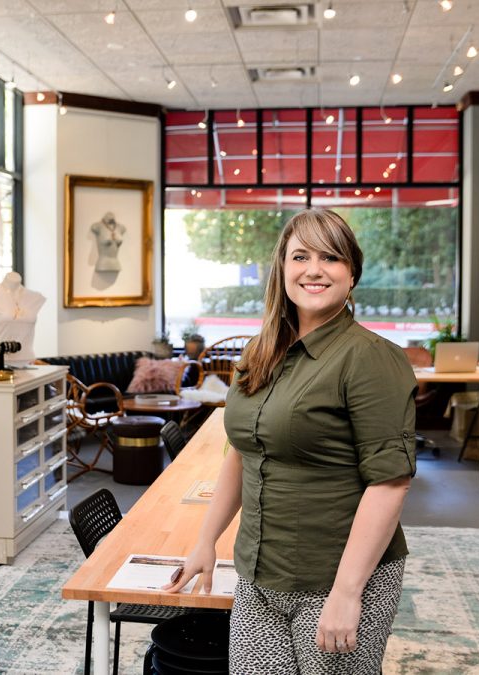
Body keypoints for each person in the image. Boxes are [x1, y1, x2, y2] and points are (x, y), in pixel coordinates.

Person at [164, 209, 417, 673]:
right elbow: (242, 452)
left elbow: (390, 485)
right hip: (258, 573)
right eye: (300, 256)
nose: (314, 269)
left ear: (352, 273)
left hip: (335, 577)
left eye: (331, 257)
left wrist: (346, 594)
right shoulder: (258, 353)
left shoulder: (372, 360)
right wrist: (206, 540)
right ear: (282, 268)